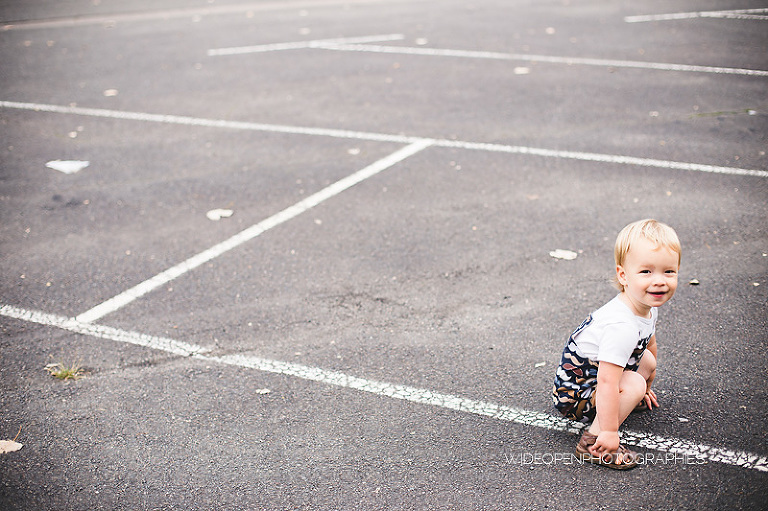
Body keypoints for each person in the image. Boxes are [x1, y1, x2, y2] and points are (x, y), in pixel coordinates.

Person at [552, 219, 681, 469]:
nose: (660, 281)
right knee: (633, 381)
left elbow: (647, 345)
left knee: (646, 364)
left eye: (669, 271)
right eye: (646, 272)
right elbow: (607, 380)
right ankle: (592, 442)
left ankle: (627, 398)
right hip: (576, 394)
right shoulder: (621, 326)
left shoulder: (646, 307)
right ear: (623, 275)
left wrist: (646, 388)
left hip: (595, 378)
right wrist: (610, 432)